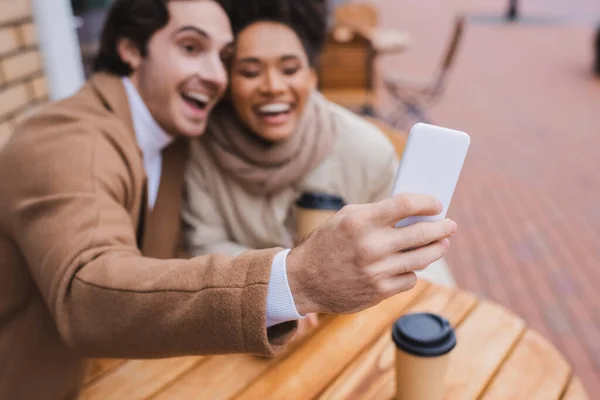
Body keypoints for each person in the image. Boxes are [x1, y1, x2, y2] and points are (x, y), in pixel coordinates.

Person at [0, 0, 456, 398]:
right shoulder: (65, 139)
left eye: (223, 57)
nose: (216, 76)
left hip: (140, 368)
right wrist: (296, 280)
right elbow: (88, 296)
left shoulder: (176, 139)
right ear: (131, 48)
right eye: (191, 48)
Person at [182, 2, 399, 335]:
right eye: (250, 72)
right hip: (243, 330)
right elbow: (204, 247)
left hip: (354, 330)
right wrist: (282, 289)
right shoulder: (200, 150)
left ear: (312, 77)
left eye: (289, 69)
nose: (272, 86)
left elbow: (403, 262)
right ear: (226, 83)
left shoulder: (368, 152)